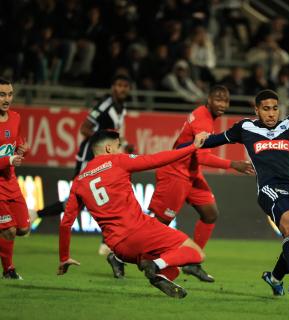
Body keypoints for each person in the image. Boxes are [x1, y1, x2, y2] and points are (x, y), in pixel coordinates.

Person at [183, 89, 289, 296]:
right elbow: (214, 140)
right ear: (256, 110)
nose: (271, 114)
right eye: (266, 109)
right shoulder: (245, 128)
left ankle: (274, 278)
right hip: (269, 189)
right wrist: (183, 146)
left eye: (275, 108)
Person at [58, 130, 210, 298]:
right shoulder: (117, 161)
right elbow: (155, 160)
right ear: (109, 148)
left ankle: (155, 270)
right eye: (118, 146)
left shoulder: (79, 181)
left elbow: (66, 223)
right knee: (195, 253)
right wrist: (192, 146)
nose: (120, 150)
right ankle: (154, 264)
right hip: (140, 230)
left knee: (172, 269)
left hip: (118, 248)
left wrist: (64, 257)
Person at [147, 85, 254, 282]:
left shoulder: (206, 116)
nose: (222, 104)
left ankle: (192, 262)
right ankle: (121, 255)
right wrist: (233, 164)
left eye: (225, 100)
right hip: (175, 173)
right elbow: (202, 155)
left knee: (210, 213)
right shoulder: (203, 119)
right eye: (218, 99)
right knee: (160, 224)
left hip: (191, 174)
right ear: (209, 99)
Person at [35, 74, 131, 219]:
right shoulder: (105, 105)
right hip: (90, 155)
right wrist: (102, 141)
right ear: (112, 87)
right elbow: (84, 129)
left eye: (125, 86)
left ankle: (107, 240)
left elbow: (112, 133)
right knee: (77, 200)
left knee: (108, 194)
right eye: (119, 85)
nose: (122, 89)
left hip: (104, 158)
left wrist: (124, 144)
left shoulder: (122, 108)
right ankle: (36, 215)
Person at [0, 78, 30, 280]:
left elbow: (18, 143)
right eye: (2, 94)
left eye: (9, 94)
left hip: (11, 182)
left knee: (22, 229)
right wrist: (9, 158)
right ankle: (8, 270)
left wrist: (22, 150)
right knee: (8, 230)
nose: (7, 99)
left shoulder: (16, 117)